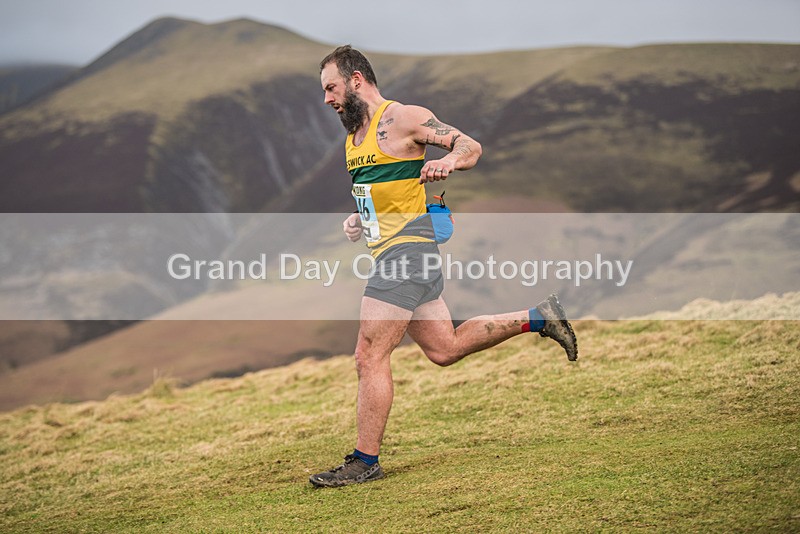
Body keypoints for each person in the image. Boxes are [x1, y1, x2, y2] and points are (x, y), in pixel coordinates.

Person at [310, 45, 577, 488]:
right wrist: (359, 219)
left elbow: (470, 145)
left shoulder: (404, 118)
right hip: (398, 252)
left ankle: (364, 461)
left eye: (331, 88)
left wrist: (449, 160)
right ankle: (539, 317)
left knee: (368, 355)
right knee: (444, 348)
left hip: (406, 255)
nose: (327, 99)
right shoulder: (354, 140)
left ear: (356, 80)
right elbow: (383, 190)